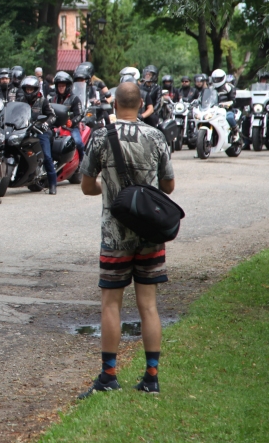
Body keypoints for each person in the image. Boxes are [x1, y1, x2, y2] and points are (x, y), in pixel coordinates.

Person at [78, 81, 175, 398]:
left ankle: (108, 376)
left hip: (114, 234)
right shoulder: (156, 136)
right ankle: (152, 377)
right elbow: (168, 186)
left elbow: (87, 186)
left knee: (111, 304)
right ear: (141, 103)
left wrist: (110, 191)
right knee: (148, 305)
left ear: (116, 105)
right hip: (149, 233)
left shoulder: (102, 137)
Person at [19, 75, 57, 194]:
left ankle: (52, 184)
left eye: (31, 89)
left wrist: (46, 123)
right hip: (25, 130)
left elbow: (53, 115)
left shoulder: (43, 100)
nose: (29, 91)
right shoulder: (21, 101)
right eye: (27, 89)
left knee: (46, 156)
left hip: (40, 131)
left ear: (36, 89)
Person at [52, 71, 85, 162]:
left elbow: (80, 114)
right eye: (59, 86)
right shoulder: (53, 99)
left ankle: (83, 163)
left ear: (67, 86)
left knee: (78, 143)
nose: (61, 88)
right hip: (56, 126)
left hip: (71, 128)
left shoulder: (75, 99)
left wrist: (72, 122)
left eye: (63, 86)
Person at [211, 68, 238, 136]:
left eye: (218, 79)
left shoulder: (229, 87)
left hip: (227, 110)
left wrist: (226, 104)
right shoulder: (211, 88)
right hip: (213, 111)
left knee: (229, 117)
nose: (216, 80)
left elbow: (233, 100)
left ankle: (235, 132)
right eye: (215, 79)